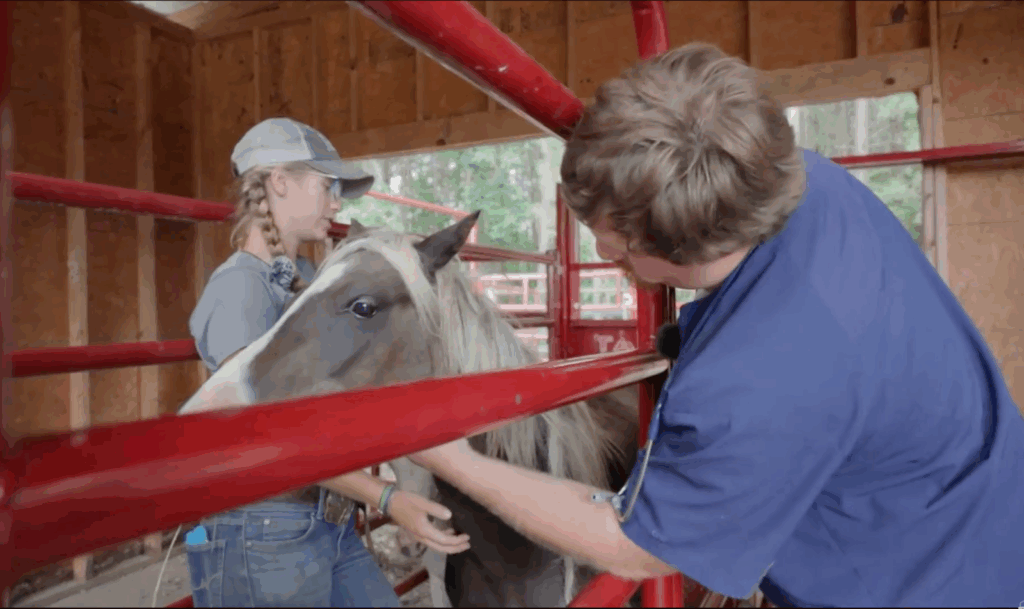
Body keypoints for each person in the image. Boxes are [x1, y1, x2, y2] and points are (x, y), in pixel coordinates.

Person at [408, 43, 1024, 607]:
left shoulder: (754, 382)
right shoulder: (799, 178)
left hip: (923, 584)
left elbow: (633, 545)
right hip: (975, 516)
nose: (599, 249)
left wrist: (454, 459)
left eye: (616, 238)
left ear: (685, 249)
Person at [180, 117, 471, 608]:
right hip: (261, 522)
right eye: (327, 187)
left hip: (325, 517)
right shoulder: (240, 288)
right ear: (280, 182)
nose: (337, 203)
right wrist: (385, 497)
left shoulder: (312, 278)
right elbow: (264, 428)